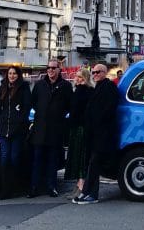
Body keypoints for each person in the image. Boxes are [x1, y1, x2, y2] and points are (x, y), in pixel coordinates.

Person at [73, 63, 119, 204]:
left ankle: (90, 193)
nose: (95, 74)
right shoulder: (99, 87)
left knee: (94, 163)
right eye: (93, 72)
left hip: (102, 133)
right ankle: (89, 192)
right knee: (93, 164)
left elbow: (109, 110)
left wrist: (97, 122)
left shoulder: (109, 87)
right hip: (94, 133)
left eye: (98, 72)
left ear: (105, 72)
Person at [29, 58, 72, 197]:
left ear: (59, 70)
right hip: (40, 129)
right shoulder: (40, 85)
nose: (50, 70)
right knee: (37, 160)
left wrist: (58, 114)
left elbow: (68, 105)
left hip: (55, 129)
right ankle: (34, 187)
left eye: (53, 68)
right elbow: (33, 102)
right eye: (48, 68)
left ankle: (51, 186)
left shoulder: (65, 86)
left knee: (53, 161)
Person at [0, 65, 32, 200]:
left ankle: (14, 186)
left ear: (18, 75)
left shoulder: (24, 88)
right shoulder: (3, 87)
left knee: (14, 158)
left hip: (17, 129)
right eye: (10, 74)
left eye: (14, 74)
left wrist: (20, 121)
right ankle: (5, 188)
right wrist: (0, 118)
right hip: (5, 129)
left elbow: (26, 107)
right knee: (5, 158)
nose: (12, 76)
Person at [64, 66, 93, 197]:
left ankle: (81, 186)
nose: (78, 79)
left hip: (81, 128)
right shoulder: (80, 91)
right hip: (76, 127)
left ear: (86, 79)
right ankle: (78, 185)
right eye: (77, 76)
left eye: (81, 77)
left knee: (80, 157)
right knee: (77, 156)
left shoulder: (84, 91)